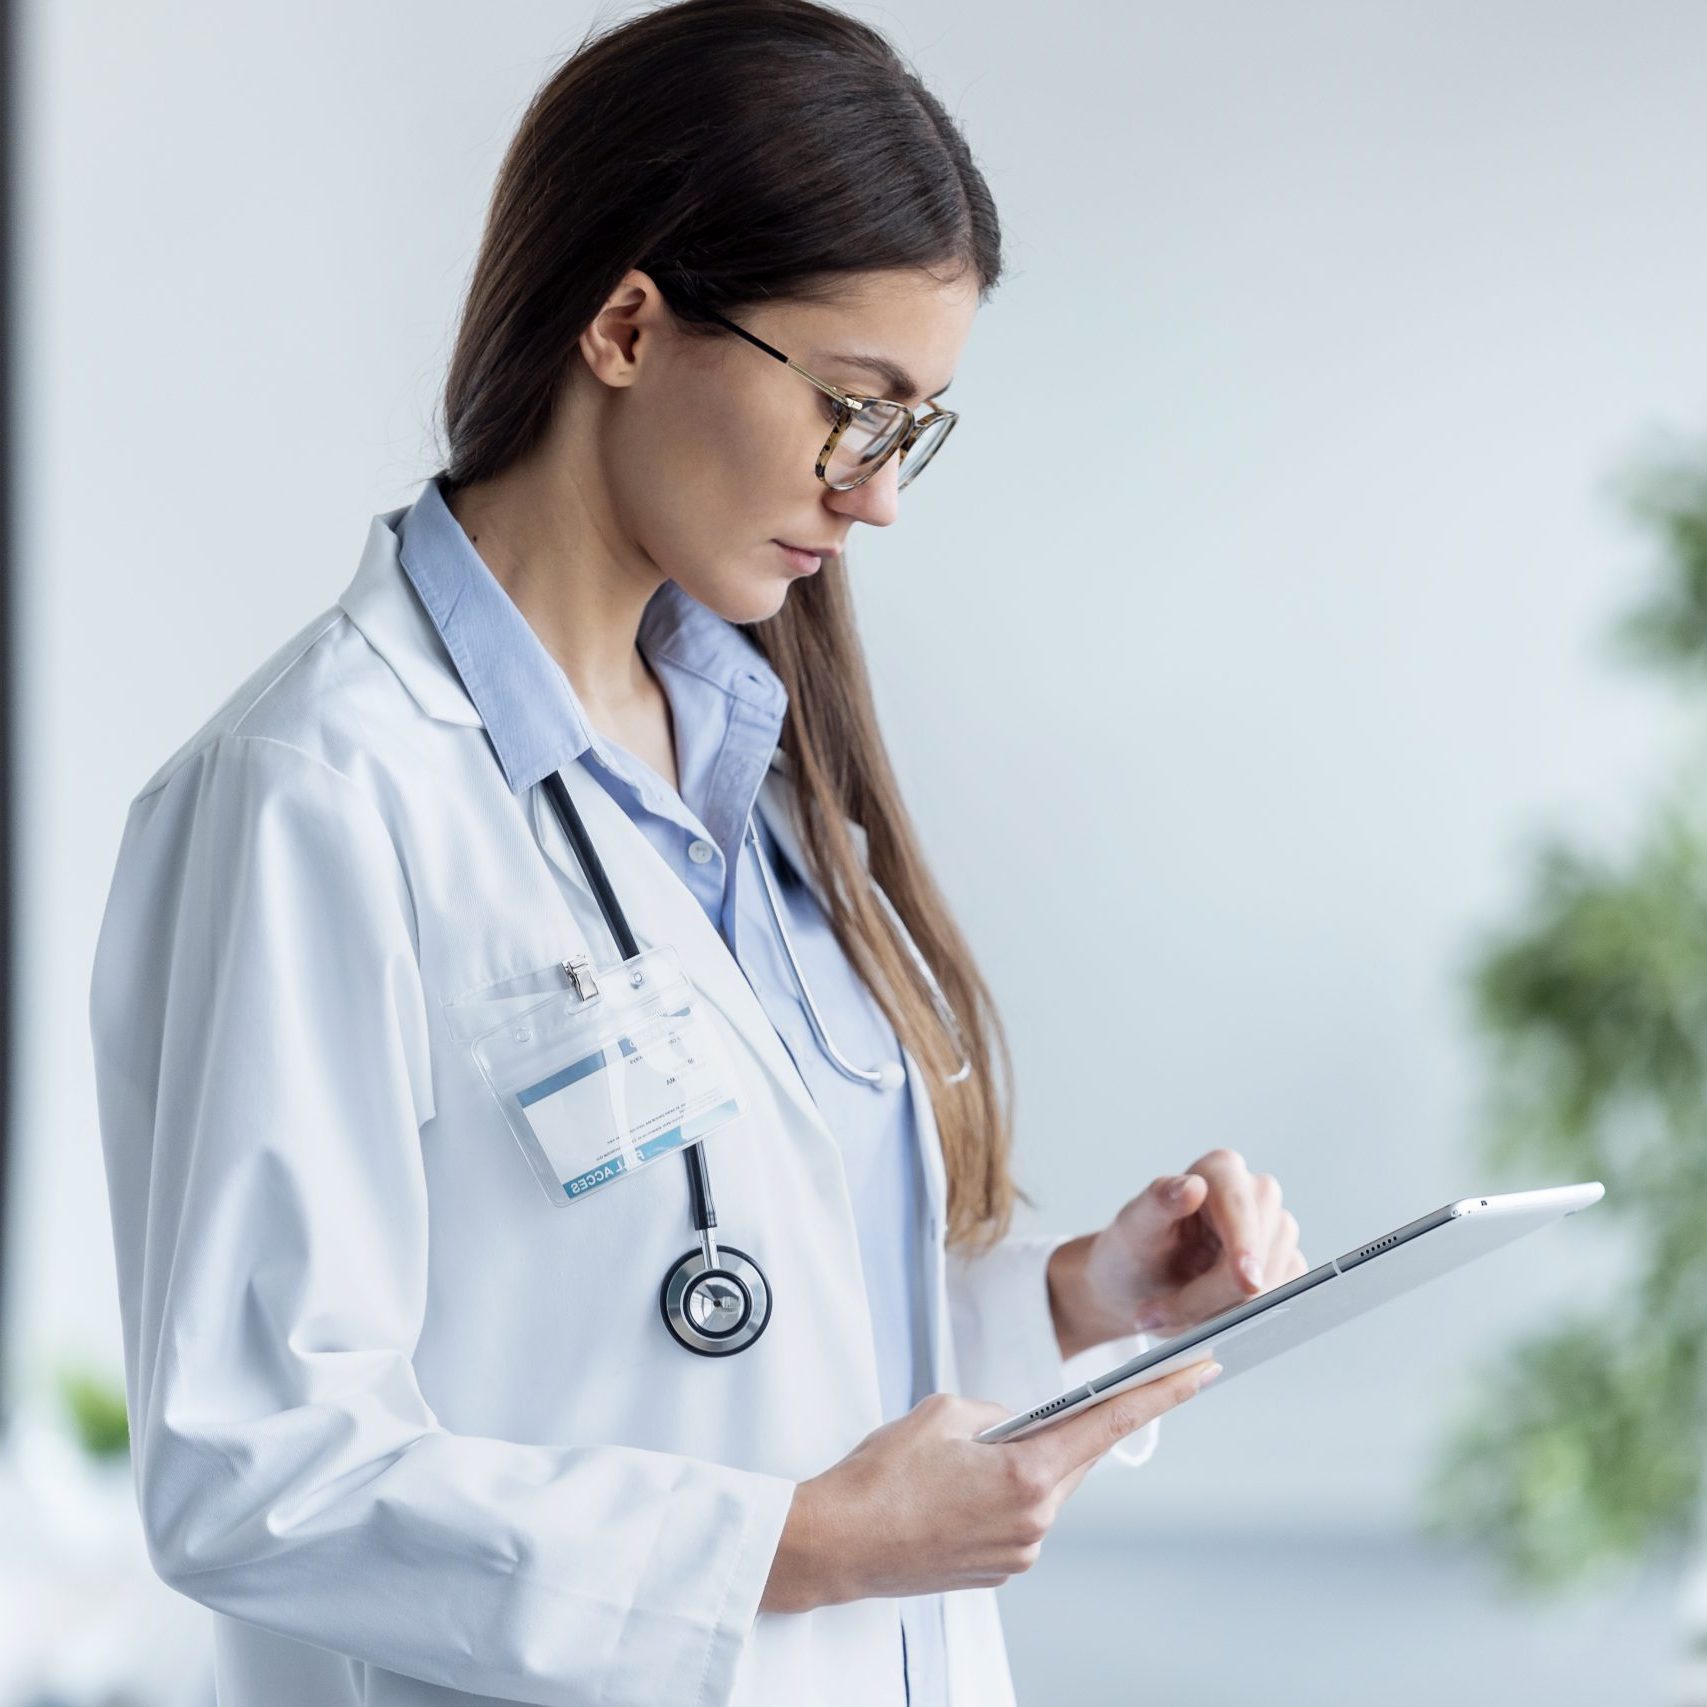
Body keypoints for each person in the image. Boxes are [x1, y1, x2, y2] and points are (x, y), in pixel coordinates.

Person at [87, 3, 1306, 1703]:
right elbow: (257, 1476)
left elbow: (732, 1327)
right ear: (628, 322)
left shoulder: (765, 771)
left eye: (914, 430)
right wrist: (799, 1550)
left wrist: (1085, 1298)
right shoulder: (319, 793)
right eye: (855, 408)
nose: (878, 496)